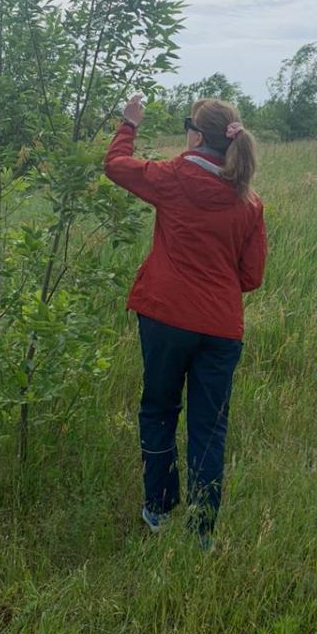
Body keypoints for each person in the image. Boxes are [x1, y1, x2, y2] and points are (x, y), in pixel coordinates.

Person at [104, 93, 267, 545]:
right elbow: (251, 277)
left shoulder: (173, 177)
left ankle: (157, 508)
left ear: (196, 134)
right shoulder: (249, 202)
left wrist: (129, 122)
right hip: (220, 329)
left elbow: (116, 164)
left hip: (166, 319)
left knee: (158, 409)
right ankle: (202, 531)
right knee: (209, 426)